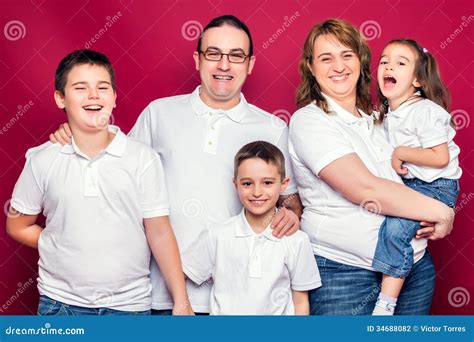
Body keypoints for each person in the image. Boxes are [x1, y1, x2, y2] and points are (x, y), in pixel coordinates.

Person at [49, 15, 303, 315]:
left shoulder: (273, 128)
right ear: (197, 59)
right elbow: (115, 172)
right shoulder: (159, 114)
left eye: (236, 56)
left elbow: (291, 199)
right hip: (161, 295)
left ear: (250, 64)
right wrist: (78, 133)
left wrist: (290, 213)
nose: (224, 65)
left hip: (241, 298)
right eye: (213, 54)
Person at [6, 50, 192, 315]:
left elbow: (159, 231)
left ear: (114, 97)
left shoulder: (143, 159)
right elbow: (17, 224)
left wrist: (181, 301)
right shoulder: (42, 160)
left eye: (102, 87)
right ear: (61, 98)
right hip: (61, 306)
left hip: (130, 307)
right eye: (80, 88)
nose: (93, 95)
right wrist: (59, 242)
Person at [289, 19, 455, 315]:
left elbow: (425, 170)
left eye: (347, 55)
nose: (338, 66)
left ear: (361, 61)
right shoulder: (309, 120)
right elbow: (365, 189)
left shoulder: (379, 121)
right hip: (346, 273)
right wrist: (442, 212)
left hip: (413, 269)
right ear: (311, 67)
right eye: (326, 58)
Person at [371, 38, 461, 315]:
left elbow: (440, 157)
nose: (389, 66)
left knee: (396, 229)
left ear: (418, 80)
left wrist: (400, 152)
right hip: (414, 185)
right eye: (384, 60)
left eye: (400, 63)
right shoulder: (389, 114)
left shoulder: (425, 111)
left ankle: (386, 303)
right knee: (392, 226)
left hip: (436, 186)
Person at [182, 141, 321, 315]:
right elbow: (183, 272)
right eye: (247, 183)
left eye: (267, 183)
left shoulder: (297, 240)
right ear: (236, 184)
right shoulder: (218, 235)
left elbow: (300, 302)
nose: (257, 192)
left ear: (284, 184)